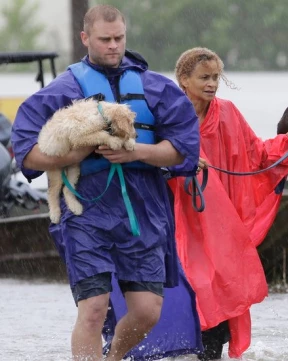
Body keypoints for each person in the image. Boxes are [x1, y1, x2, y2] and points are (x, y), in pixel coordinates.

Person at [10, 5, 201, 360]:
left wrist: (136, 153)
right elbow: (26, 153)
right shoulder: (61, 91)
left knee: (147, 311)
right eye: (105, 40)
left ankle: (113, 358)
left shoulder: (154, 87)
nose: (114, 46)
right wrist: (71, 156)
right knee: (94, 307)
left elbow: (182, 151)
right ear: (86, 39)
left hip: (143, 211)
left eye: (119, 38)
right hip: (85, 210)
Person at [169, 47, 288, 360]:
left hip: (221, 223)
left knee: (220, 289)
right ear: (184, 79)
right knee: (193, 285)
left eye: (216, 77)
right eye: (203, 77)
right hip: (181, 219)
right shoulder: (167, 116)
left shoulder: (229, 113)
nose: (211, 83)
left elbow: (256, 155)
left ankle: (209, 351)